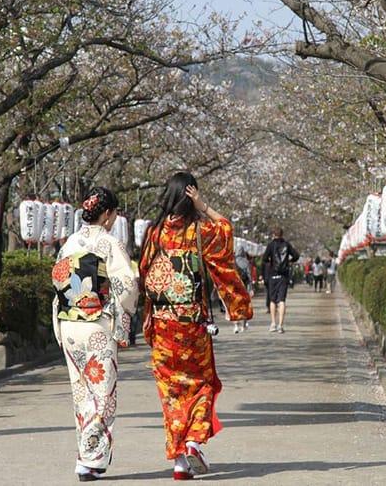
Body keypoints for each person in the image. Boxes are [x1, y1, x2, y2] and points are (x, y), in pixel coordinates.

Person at [139, 172, 252, 481]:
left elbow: (144, 272)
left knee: (170, 390)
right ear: (191, 197)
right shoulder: (200, 230)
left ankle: (178, 461)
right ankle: (192, 441)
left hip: (163, 324)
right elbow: (226, 229)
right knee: (201, 383)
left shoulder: (154, 232)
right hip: (192, 325)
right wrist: (204, 207)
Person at [51, 187, 139, 482]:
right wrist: (123, 316)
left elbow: (59, 284)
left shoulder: (69, 243)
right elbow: (126, 286)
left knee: (81, 392)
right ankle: (91, 458)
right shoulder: (109, 243)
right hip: (97, 323)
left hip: (69, 323)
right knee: (103, 393)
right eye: (113, 214)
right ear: (106, 213)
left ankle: (84, 453)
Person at [262, 228, 299, 333]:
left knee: (273, 300)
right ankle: (280, 325)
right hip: (284, 276)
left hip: (273, 275)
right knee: (282, 300)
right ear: (282, 235)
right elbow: (296, 255)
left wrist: (271, 261)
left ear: (273, 234)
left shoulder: (270, 245)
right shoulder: (287, 245)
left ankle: (273, 323)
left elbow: (264, 259)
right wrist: (289, 262)